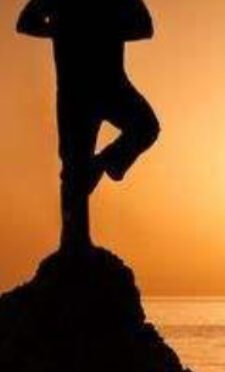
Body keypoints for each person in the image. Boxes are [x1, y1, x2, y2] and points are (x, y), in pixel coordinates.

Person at [17, 0, 160, 253]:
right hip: (75, 93)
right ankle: (74, 241)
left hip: (112, 86)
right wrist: (60, 31)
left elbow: (145, 27)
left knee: (146, 127)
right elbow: (25, 23)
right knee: (73, 167)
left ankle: (103, 163)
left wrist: (106, 30)